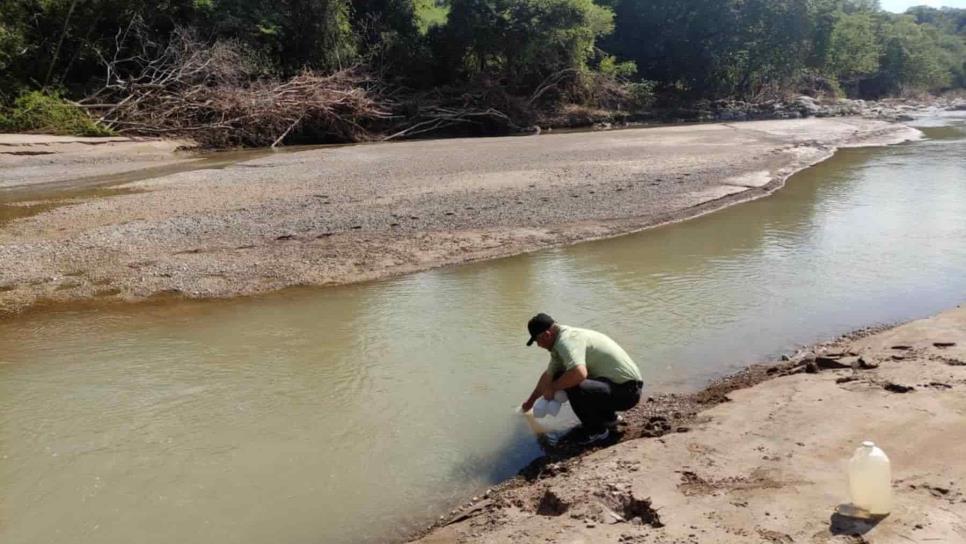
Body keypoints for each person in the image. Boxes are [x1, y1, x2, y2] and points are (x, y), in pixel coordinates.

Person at [521, 313, 643, 445]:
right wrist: (530, 403)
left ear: (546, 335)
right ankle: (608, 418)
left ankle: (596, 431)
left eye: (537, 341)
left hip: (627, 393)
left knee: (572, 382)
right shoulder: (560, 342)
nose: (539, 345)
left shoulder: (566, 342)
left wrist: (553, 388)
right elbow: (548, 376)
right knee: (560, 376)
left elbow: (579, 374)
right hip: (622, 388)